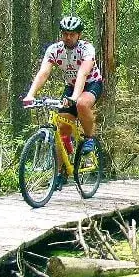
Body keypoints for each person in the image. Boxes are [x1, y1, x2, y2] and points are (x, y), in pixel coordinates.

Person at [23, 16, 103, 187]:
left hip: (91, 84)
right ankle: (61, 171)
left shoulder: (87, 49)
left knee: (81, 104)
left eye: (72, 34)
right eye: (65, 34)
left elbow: (82, 73)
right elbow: (43, 73)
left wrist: (74, 98)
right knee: (62, 130)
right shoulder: (54, 50)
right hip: (71, 86)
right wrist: (30, 95)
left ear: (79, 35)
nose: (68, 37)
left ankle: (89, 138)